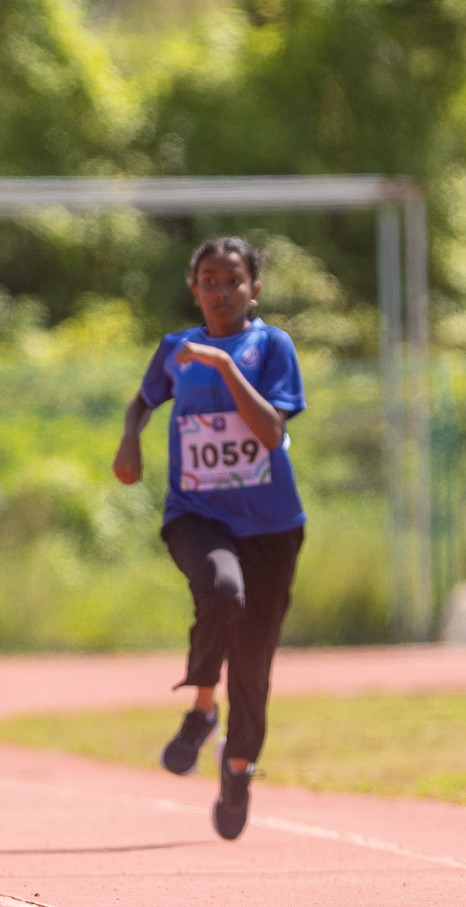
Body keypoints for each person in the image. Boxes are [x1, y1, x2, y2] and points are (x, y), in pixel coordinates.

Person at [112, 236, 305, 841]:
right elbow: (142, 402)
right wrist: (131, 439)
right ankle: (200, 709)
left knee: (254, 665)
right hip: (197, 512)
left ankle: (239, 765)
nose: (222, 291)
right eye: (210, 281)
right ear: (194, 288)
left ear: (255, 289)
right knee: (220, 590)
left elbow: (271, 432)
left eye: (233, 280)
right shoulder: (175, 350)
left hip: (271, 524)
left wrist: (224, 365)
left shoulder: (271, 346)